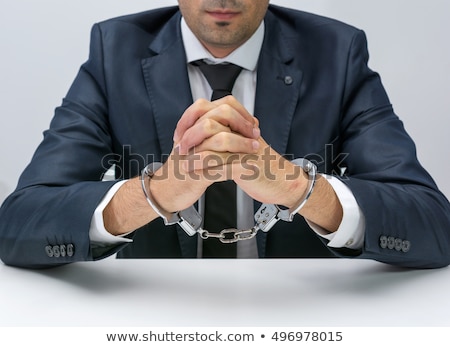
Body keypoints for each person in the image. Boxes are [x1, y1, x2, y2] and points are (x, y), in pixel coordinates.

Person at [0, 0, 449, 269]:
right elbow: (19, 225)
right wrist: (154, 192)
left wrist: (297, 187)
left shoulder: (338, 53)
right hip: (148, 320)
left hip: (304, 318)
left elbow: (433, 226)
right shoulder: (113, 50)